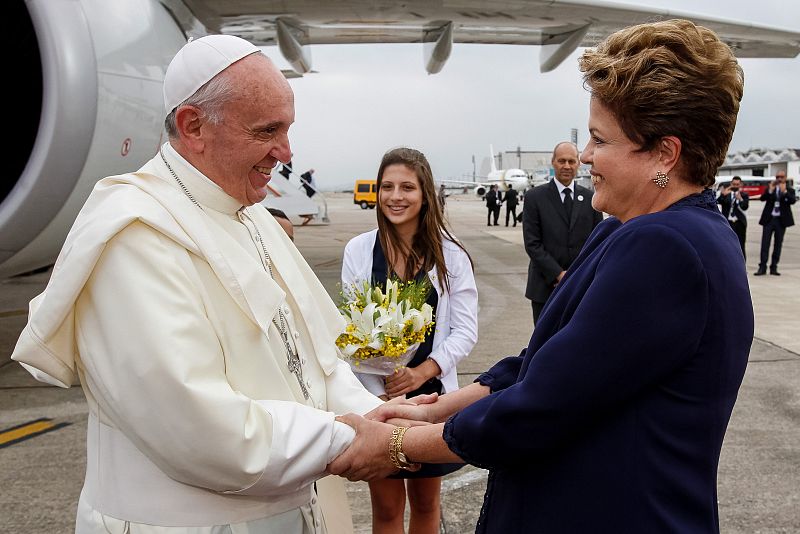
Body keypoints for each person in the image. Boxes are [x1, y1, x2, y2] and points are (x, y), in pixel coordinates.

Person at [329, 19, 753, 534]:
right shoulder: (632, 230)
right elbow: (538, 365)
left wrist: (397, 446)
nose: (587, 156)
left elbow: (541, 406)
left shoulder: (666, 248)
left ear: (665, 153)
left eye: (600, 139)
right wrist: (432, 411)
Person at [11, 35, 384, 533]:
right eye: (267, 130)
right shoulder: (134, 237)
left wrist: (379, 417)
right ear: (193, 126)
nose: (286, 151)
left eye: (287, 129)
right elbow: (201, 431)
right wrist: (355, 440)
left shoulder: (253, 218)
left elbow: (311, 360)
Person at [340, 147, 478, 534]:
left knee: (425, 504)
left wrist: (419, 375)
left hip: (431, 400)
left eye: (406, 187)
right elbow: (351, 329)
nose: (395, 196)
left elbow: (465, 332)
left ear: (425, 195)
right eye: (386, 187)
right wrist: (379, 391)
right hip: (375, 398)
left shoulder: (451, 256)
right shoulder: (359, 250)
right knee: (384, 509)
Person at [522, 142, 602, 324]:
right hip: (544, 287)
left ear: (578, 164)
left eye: (572, 161)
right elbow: (532, 243)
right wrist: (558, 274)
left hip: (580, 286)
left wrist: (577, 274)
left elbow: (597, 241)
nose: (567, 166)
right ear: (553, 162)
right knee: (544, 345)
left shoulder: (591, 198)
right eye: (562, 161)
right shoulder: (535, 197)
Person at [754, 171, 795, 275]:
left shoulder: (789, 189)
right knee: (765, 244)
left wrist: (785, 191)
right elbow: (762, 198)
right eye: (777, 177)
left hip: (781, 221)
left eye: (781, 177)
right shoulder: (770, 188)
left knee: (778, 244)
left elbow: (792, 201)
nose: (779, 179)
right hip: (769, 220)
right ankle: (762, 267)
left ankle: (774, 267)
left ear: (785, 178)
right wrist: (771, 191)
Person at [717, 175, 749, 259]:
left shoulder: (744, 195)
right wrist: (723, 194)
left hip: (739, 223)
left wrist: (740, 199)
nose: (735, 186)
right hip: (728, 223)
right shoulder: (726, 194)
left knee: (741, 246)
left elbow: (745, 207)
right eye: (734, 184)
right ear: (731, 184)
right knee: (727, 245)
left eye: (737, 184)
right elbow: (718, 201)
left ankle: (742, 268)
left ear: (740, 185)